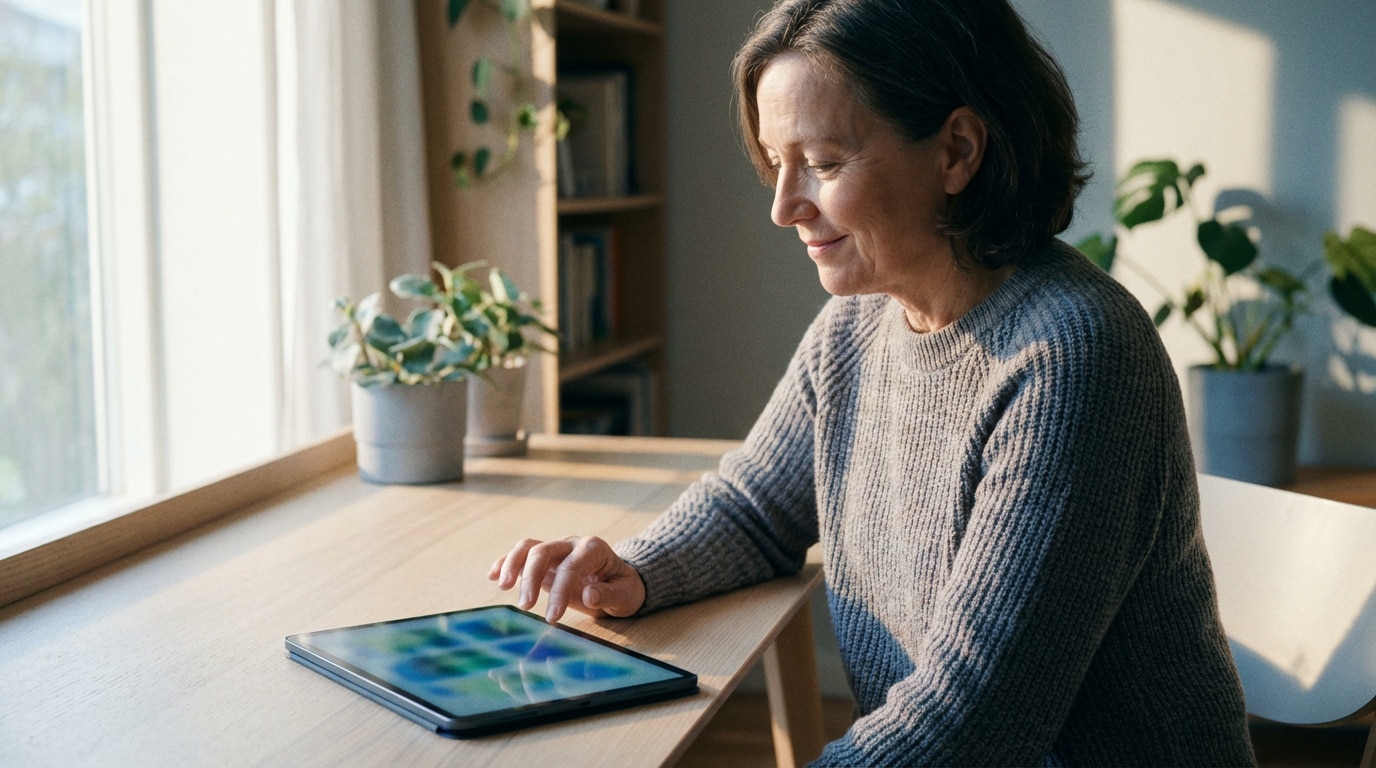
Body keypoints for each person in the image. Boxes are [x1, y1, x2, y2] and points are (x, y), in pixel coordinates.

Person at [491, 0, 1257, 764]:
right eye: (774, 163)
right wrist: (635, 570)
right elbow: (756, 507)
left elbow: (967, 723)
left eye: (821, 164)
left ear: (958, 150)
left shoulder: (1074, 358)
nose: (783, 207)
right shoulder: (858, 326)